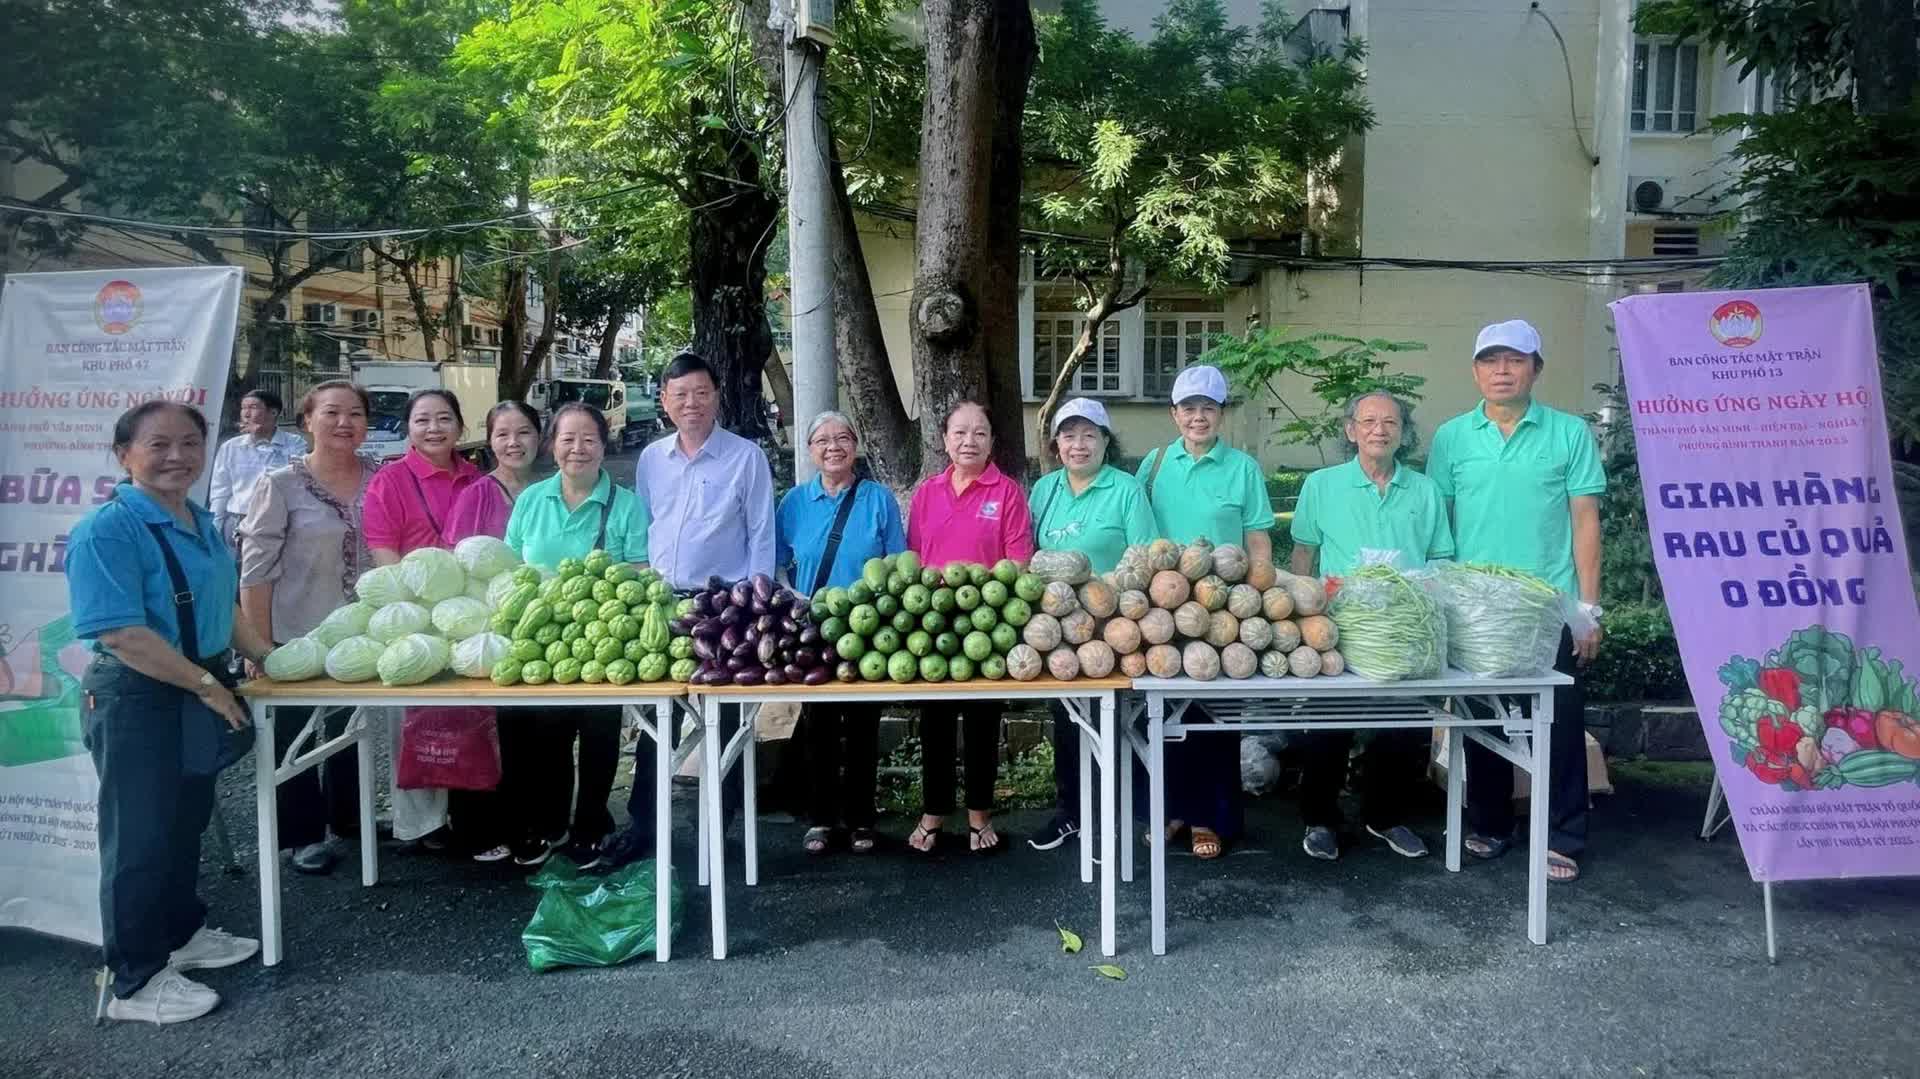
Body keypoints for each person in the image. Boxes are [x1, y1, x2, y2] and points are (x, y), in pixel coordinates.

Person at [68, 401, 274, 1024]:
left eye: (189, 443)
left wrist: (268, 656)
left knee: (185, 820)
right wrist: (206, 686)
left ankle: (182, 934)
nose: (177, 457)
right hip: (139, 693)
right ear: (123, 454)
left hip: (194, 682)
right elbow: (121, 632)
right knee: (137, 838)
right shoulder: (107, 530)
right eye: (158, 445)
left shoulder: (198, 519)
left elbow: (225, 606)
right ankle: (133, 978)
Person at [1424, 318, 1605, 883]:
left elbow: (1585, 524)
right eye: (1490, 361)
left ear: (1536, 369)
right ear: (1475, 371)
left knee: (1561, 721)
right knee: (1482, 721)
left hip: (1548, 605)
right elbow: (1440, 526)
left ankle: (1564, 834)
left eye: (1515, 360)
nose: (1502, 371)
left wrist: (1589, 610)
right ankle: (1490, 823)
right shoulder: (1452, 437)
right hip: (1477, 611)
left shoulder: (1569, 434)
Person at [596, 351, 774, 870]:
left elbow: (762, 536)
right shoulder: (651, 459)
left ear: (716, 396)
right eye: (680, 395)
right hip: (663, 603)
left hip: (725, 607)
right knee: (658, 719)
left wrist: (756, 609)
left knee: (725, 722)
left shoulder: (746, 457)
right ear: (665, 403)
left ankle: (719, 829)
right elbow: (648, 526)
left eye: (700, 393)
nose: (691, 403)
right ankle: (645, 825)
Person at [1288, 390, 1454, 862]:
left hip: (1402, 634)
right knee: (1327, 726)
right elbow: (1304, 554)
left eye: (1390, 423)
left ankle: (1385, 817)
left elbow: (1441, 558)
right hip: (1340, 628)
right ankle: (1319, 819)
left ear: (1403, 434)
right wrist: (1304, 616)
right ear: (1350, 430)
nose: (1379, 430)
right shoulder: (1322, 485)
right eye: (1368, 421)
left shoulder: (1424, 490)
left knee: (1401, 729)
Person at [238, 380, 381, 875]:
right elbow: (255, 570)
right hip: (295, 630)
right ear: (307, 422)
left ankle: (349, 817)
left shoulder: (380, 476)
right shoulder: (279, 484)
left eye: (356, 414)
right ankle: (301, 835)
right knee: (294, 739)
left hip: (361, 635)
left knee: (351, 727)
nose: (345, 423)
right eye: (332, 413)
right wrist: (257, 648)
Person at [1136, 364, 1275, 859]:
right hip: (1165, 608)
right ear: (1174, 414)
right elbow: (1140, 540)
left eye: (1208, 409)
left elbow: (1258, 538)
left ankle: (1211, 817)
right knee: (1164, 716)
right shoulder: (1153, 466)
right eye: (1189, 408)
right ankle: (1173, 809)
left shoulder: (1243, 468)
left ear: (1222, 415)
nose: (1198, 417)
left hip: (1224, 610)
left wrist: (1258, 597)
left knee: (1216, 720)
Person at [503, 402, 651, 867]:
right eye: (567, 439)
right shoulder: (531, 500)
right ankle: (550, 824)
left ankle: (591, 824)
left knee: (599, 735)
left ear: (604, 445)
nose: (577, 449)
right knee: (547, 736)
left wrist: (589, 583)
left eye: (589, 439)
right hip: (539, 641)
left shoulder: (626, 505)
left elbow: (645, 571)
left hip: (603, 640)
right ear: (552, 445)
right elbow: (509, 566)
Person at [1025, 398, 1155, 852]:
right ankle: (1071, 815)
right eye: (1068, 435)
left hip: (1114, 627)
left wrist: (1107, 595)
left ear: (1105, 442)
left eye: (1089, 435)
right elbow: (1032, 559)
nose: (1078, 445)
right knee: (1067, 720)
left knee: (1116, 723)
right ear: (1056, 443)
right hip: (1060, 629)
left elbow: (1143, 562)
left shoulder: (1126, 490)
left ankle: (1114, 818)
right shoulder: (1045, 491)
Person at [905, 400, 1035, 854]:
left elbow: (1018, 560)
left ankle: (980, 815)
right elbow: (914, 560)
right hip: (934, 625)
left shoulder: (1007, 493)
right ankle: (934, 812)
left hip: (987, 626)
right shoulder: (927, 493)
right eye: (959, 433)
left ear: (992, 441)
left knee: (983, 722)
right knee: (935, 723)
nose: (969, 441)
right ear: (944, 440)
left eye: (979, 433)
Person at [776, 411, 906, 856]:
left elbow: (897, 563)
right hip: (815, 629)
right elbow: (777, 564)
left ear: (856, 445)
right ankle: (821, 819)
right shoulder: (793, 503)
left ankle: (861, 821)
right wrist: (793, 600)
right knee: (820, 727)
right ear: (810, 450)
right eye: (822, 440)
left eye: (843, 438)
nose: (834, 447)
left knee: (864, 726)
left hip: (868, 630)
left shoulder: (878, 499)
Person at [362, 388, 483, 849]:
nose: (434, 429)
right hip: (412, 613)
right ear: (408, 428)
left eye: (444, 419)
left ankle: (464, 812)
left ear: (459, 426)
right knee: (412, 720)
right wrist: (415, 607)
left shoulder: (475, 478)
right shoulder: (390, 480)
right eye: (422, 420)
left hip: (466, 612)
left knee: (468, 714)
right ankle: (418, 824)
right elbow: (383, 550)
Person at [445, 401, 543, 864]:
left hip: (531, 634)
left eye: (523, 432)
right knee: (478, 730)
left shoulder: (548, 493)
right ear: (490, 442)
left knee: (524, 735)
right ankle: (478, 829)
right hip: (482, 633)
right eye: (503, 434)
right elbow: (456, 568)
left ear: (538, 438)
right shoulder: (476, 494)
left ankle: (527, 826)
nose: (513, 443)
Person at [207, 388, 305, 552]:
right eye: (243, 408)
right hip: (238, 521)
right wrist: (214, 529)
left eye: (253, 407)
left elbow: (295, 477)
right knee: (237, 574)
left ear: (273, 412)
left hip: (280, 521)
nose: (246, 413)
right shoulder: (231, 447)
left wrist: (266, 446)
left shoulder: (294, 443)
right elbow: (220, 491)